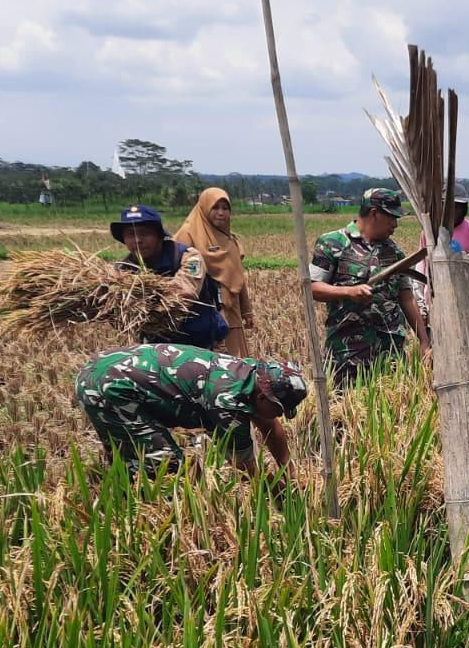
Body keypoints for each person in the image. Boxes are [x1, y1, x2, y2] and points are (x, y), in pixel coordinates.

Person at [74, 343, 305, 478]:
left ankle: (123, 478)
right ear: (264, 396)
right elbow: (244, 467)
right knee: (167, 466)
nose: (279, 416)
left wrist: (290, 470)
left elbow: (270, 428)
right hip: (110, 386)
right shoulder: (226, 401)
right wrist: (275, 491)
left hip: (114, 369)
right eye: (279, 409)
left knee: (134, 451)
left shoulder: (251, 375)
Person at [308, 187, 432, 385]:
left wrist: (424, 340)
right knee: (346, 410)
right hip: (348, 353)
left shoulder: (393, 252)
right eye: (392, 218)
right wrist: (348, 292)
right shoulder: (332, 243)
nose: (395, 225)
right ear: (374, 213)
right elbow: (313, 288)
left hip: (390, 352)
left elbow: (406, 296)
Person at [112, 204, 228, 349]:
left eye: (145, 233)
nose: (138, 240)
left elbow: (183, 293)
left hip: (202, 344)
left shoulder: (187, 257)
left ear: (159, 235)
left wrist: (146, 306)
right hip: (158, 348)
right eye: (130, 234)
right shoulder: (123, 270)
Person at [175, 187, 255, 357]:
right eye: (215, 208)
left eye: (225, 208)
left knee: (236, 366)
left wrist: (247, 311)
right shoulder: (187, 235)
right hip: (203, 315)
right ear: (204, 208)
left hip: (232, 312)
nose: (221, 213)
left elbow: (237, 277)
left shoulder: (229, 239)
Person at [414, 193, 469, 323]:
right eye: (447, 206)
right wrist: (421, 305)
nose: (452, 211)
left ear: (463, 208)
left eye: (457, 207)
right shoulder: (429, 232)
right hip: (435, 305)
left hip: (467, 306)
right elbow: (421, 268)